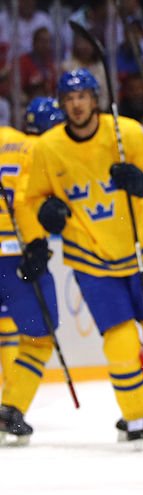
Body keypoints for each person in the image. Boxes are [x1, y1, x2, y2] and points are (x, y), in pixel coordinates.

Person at [19, 68, 143, 445]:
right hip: (90, 254)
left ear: (95, 98)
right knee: (121, 341)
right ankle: (134, 418)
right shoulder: (47, 147)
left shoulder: (127, 133)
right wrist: (47, 217)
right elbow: (32, 199)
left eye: (82, 97)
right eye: (69, 99)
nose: (76, 105)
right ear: (62, 104)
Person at [0, 97, 64, 444]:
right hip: (15, 254)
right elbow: (25, 200)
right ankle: (11, 408)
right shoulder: (45, 150)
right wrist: (37, 244)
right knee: (39, 338)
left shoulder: (5, 138)